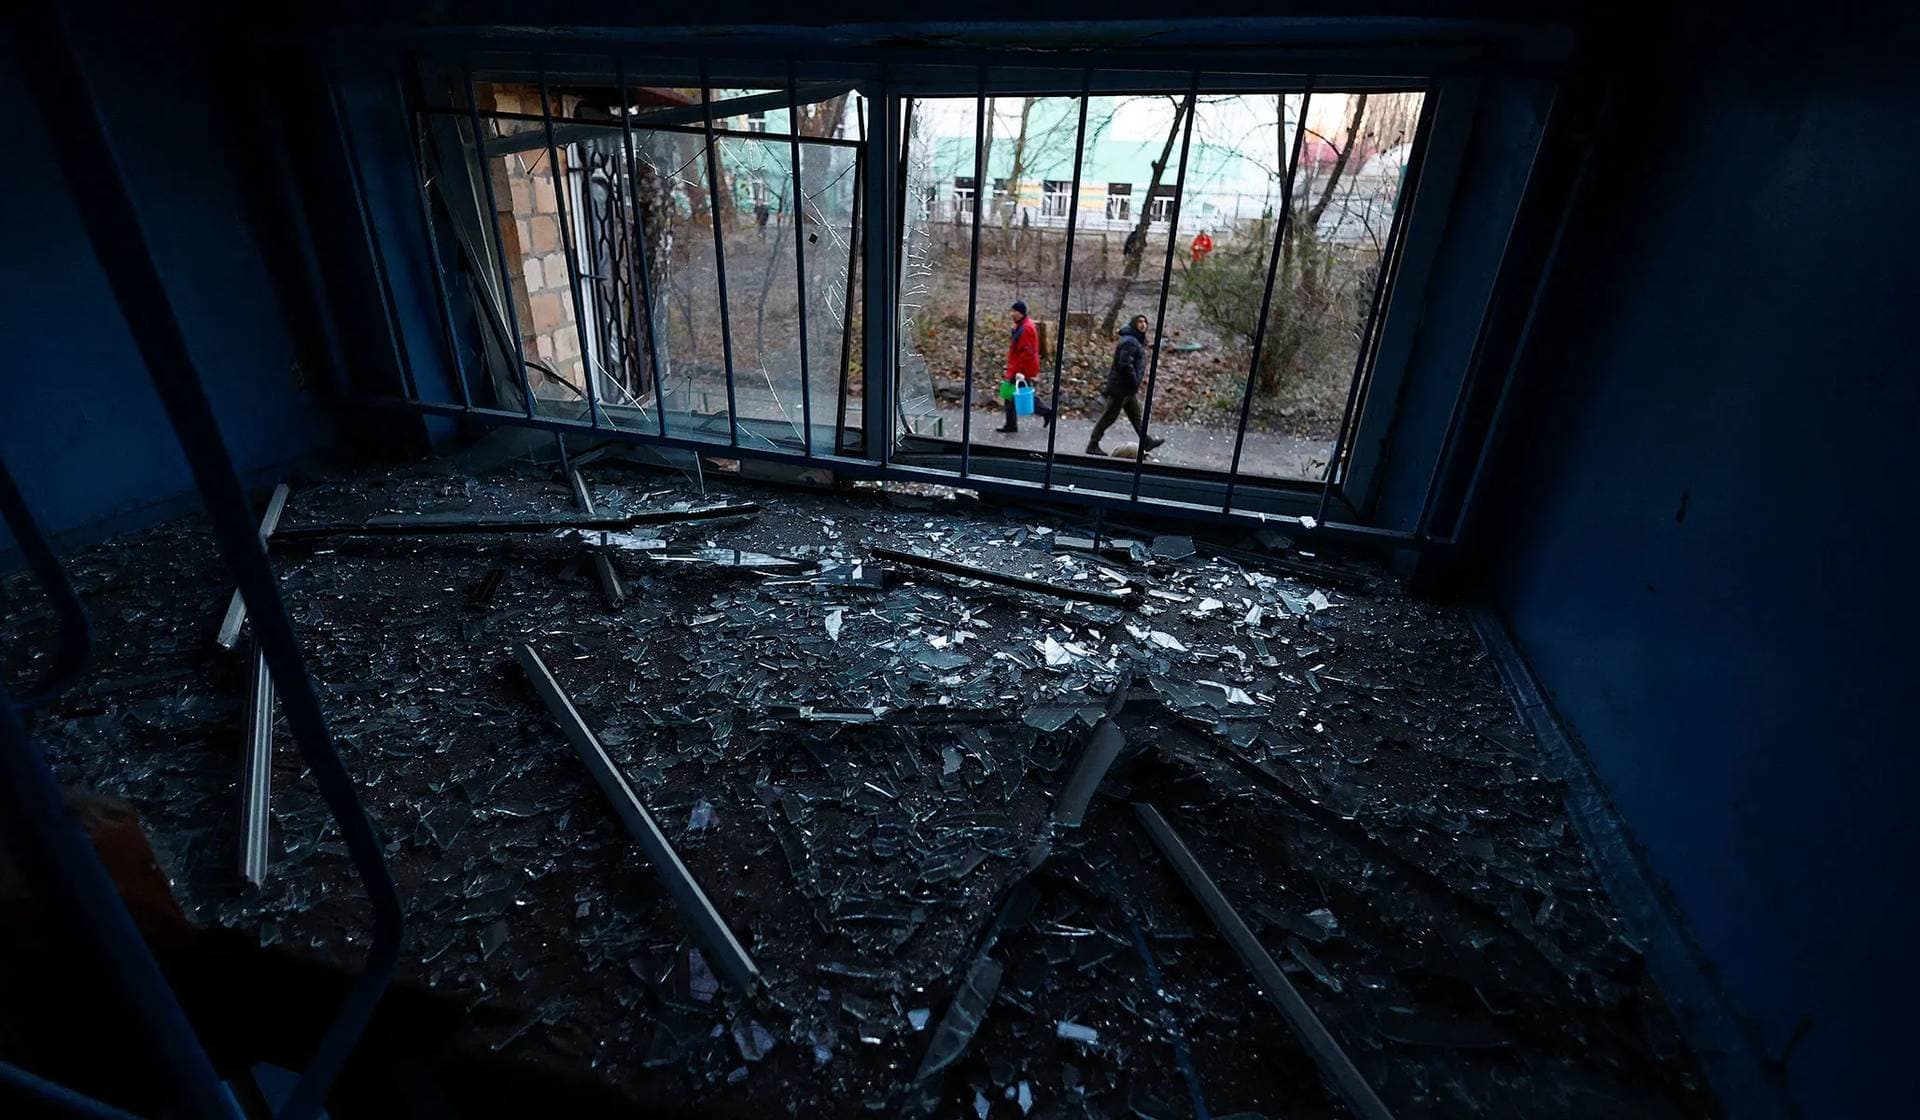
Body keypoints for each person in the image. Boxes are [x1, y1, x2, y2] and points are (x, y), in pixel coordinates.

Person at [1087, 314, 1165, 456]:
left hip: (1128, 388)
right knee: (1109, 417)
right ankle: (1093, 444)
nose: (1143, 324)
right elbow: (1124, 363)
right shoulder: (1130, 341)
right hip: (1121, 387)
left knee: (1136, 416)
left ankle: (1146, 441)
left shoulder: (1135, 340)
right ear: (1133, 324)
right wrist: (1134, 379)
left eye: (1145, 322)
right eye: (1139, 322)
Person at [996, 300, 1053, 433]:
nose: (1012, 314)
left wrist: (1019, 371)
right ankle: (1043, 413)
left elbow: (1027, 353)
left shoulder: (1026, 328)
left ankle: (1013, 424)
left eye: (1015, 311)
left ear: (1021, 313)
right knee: (1014, 395)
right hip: (1017, 367)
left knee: (1015, 395)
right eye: (1012, 311)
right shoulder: (1020, 325)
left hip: (1021, 368)